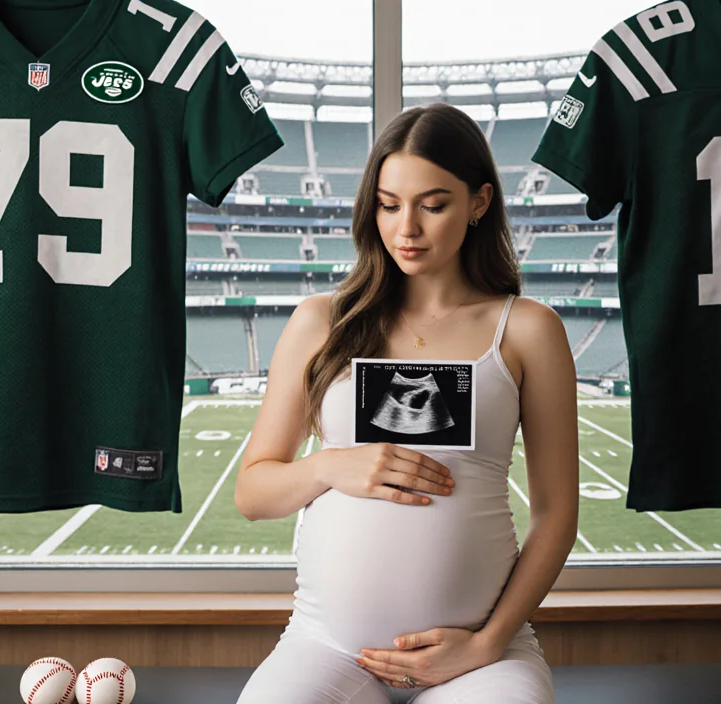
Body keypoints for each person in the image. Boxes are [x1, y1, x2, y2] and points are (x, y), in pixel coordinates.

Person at [233, 103, 579, 704]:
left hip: (478, 658)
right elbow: (252, 494)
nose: (406, 229)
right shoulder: (321, 322)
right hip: (329, 648)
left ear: (479, 203)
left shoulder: (527, 330)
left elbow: (556, 515)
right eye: (389, 204)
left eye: (433, 204)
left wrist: (486, 643)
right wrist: (328, 467)